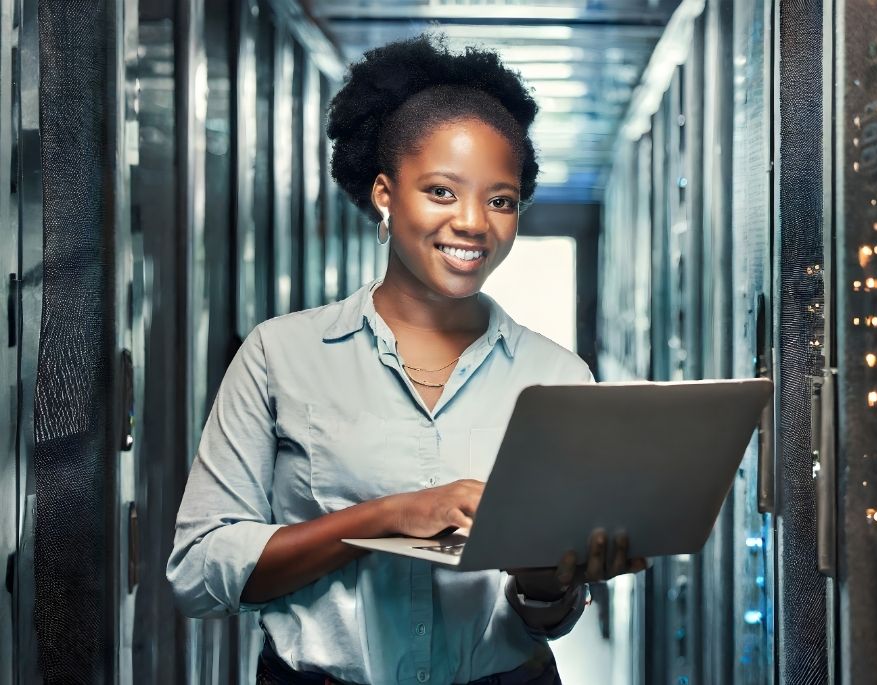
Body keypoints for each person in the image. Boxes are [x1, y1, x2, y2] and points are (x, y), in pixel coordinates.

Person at [167, 34, 644, 685]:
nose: (474, 222)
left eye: (500, 200)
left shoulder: (558, 376)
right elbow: (197, 570)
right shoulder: (280, 355)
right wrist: (386, 515)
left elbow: (547, 619)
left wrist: (545, 583)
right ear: (386, 195)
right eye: (443, 191)